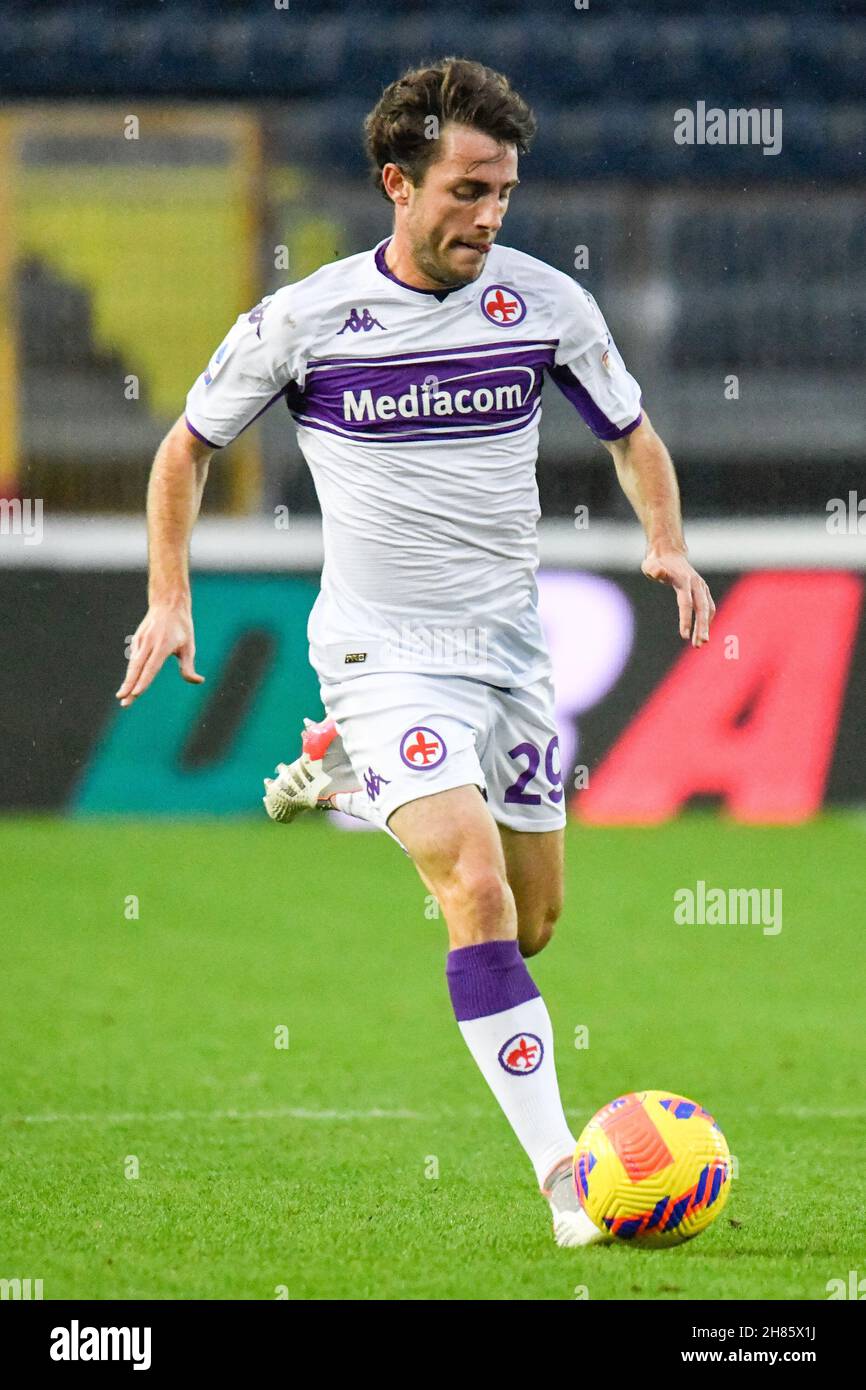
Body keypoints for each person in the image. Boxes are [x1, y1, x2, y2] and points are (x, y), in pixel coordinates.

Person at [116, 57, 715, 1247]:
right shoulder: (304, 319)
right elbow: (182, 448)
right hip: (382, 656)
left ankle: (343, 769)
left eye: (502, 193)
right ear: (396, 182)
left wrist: (666, 545)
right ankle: (563, 1179)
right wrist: (169, 597)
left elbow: (632, 433)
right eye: (465, 191)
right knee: (475, 890)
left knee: (534, 921)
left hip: (509, 655)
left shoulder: (543, 304)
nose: (487, 217)